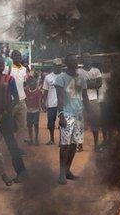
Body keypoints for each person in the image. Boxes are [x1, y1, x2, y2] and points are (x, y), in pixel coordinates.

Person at [54, 55, 87, 184]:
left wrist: (90, 114)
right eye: (71, 61)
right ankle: (61, 173)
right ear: (66, 63)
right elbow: (60, 98)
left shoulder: (82, 78)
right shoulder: (60, 78)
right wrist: (61, 115)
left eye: (76, 61)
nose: (74, 63)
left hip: (79, 115)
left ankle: (68, 170)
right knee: (65, 145)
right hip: (67, 114)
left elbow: (85, 98)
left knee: (74, 144)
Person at [79, 53, 104, 151]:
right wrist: (91, 83)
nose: (87, 59)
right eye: (85, 57)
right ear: (82, 59)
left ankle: (96, 145)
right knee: (80, 124)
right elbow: (77, 86)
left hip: (93, 100)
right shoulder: (78, 71)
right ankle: (79, 145)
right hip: (81, 100)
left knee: (95, 123)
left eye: (89, 57)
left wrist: (85, 84)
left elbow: (99, 84)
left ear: (91, 59)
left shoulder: (96, 70)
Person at [8, 49, 29, 149]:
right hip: (10, 102)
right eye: (15, 56)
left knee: (22, 126)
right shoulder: (7, 69)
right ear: (12, 57)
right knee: (6, 125)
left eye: (19, 56)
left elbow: (24, 83)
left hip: (22, 101)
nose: (18, 57)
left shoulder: (24, 69)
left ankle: (18, 149)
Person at [42, 61, 62, 145]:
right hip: (51, 103)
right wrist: (44, 102)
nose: (59, 67)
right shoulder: (48, 77)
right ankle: (52, 139)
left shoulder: (64, 76)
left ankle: (62, 140)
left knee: (62, 122)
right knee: (51, 122)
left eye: (60, 65)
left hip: (62, 103)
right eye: (57, 65)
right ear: (54, 66)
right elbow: (45, 91)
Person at [24, 77, 43, 146]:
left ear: (35, 84)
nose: (32, 84)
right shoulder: (26, 90)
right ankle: (31, 139)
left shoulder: (38, 91)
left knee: (35, 124)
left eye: (33, 83)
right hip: (29, 110)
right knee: (29, 125)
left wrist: (40, 107)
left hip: (35, 110)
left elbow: (39, 100)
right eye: (31, 83)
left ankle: (36, 138)